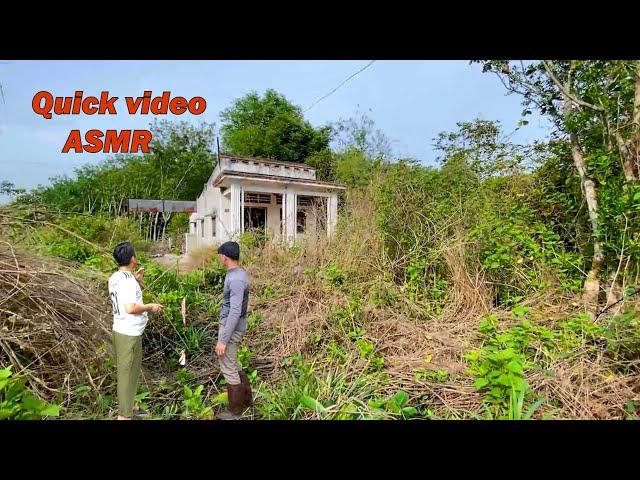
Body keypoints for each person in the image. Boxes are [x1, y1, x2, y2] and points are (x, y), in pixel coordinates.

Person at [108, 242, 164, 420]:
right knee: (126, 374)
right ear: (133, 259)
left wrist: (136, 280)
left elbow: (124, 292)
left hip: (122, 330)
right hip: (129, 333)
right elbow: (131, 308)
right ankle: (124, 416)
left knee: (129, 371)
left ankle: (130, 405)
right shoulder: (127, 282)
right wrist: (151, 307)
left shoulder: (116, 277)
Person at [215, 241, 252, 420]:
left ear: (225, 257)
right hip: (233, 326)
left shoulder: (236, 279)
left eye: (220, 255)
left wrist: (223, 339)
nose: (220, 257)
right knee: (233, 363)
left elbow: (235, 311)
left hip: (232, 328)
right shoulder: (238, 273)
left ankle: (235, 411)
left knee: (228, 366)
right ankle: (246, 400)